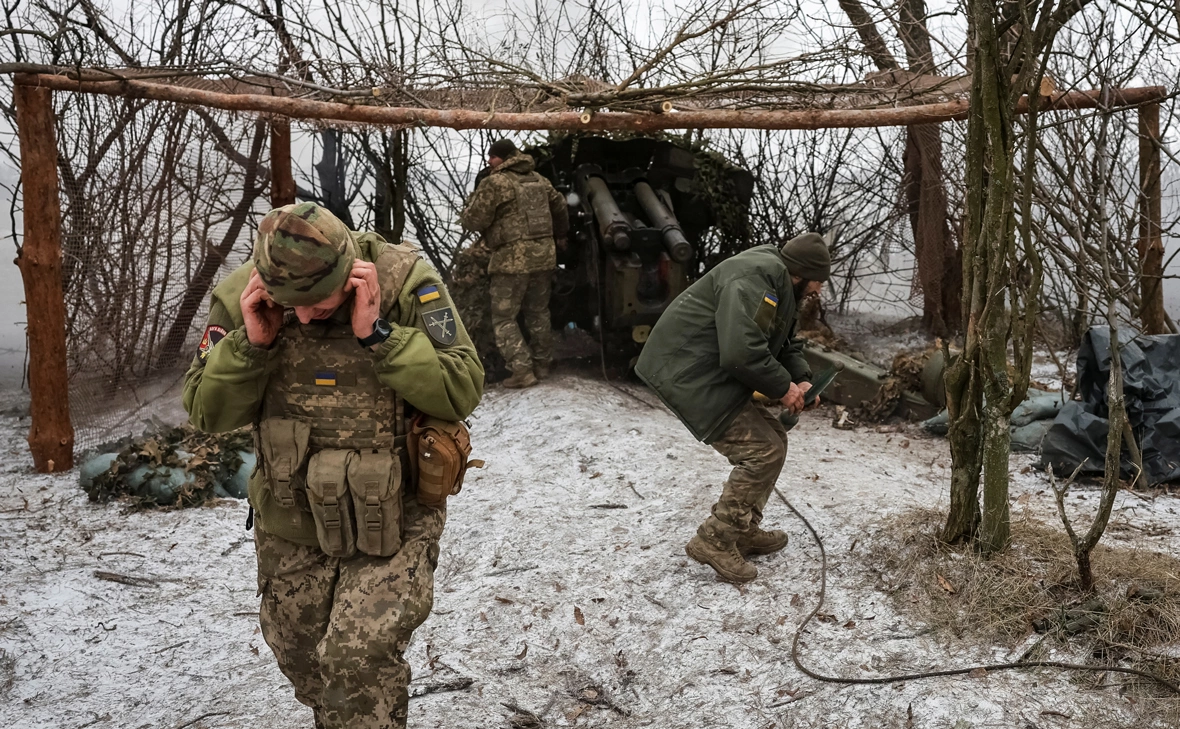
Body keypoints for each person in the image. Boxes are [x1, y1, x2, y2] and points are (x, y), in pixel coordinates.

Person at [183, 202, 484, 729]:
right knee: (302, 661)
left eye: (318, 305)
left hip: (395, 513)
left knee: (355, 661)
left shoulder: (406, 283)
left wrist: (380, 336)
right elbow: (206, 412)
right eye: (288, 306)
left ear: (351, 273)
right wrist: (251, 347)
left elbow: (460, 389)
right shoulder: (239, 297)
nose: (302, 318)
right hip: (291, 514)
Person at [634, 232, 831, 584]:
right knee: (762, 450)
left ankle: (742, 529)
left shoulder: (777, 282)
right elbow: (742, 352)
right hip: (687, 371)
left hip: (708, 370)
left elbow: (785, 343)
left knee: (774, 441)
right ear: (800, 273)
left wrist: (801, 379)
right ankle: (714, 540)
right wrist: (782, 389)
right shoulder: (755, 280)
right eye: (818, 280)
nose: (818, 290)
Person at [459, 138, 569, 389]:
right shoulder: (539, 180)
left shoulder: (495, 182)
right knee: (538, 312)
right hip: (543, 257)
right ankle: (542, 365)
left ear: (504, 158)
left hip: (512, 261)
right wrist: (560, 234)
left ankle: (522, 370)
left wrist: (471, 214)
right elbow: (560, 206)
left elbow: (474, 221)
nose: (489, 161)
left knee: (503, 317)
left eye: (492, 157)